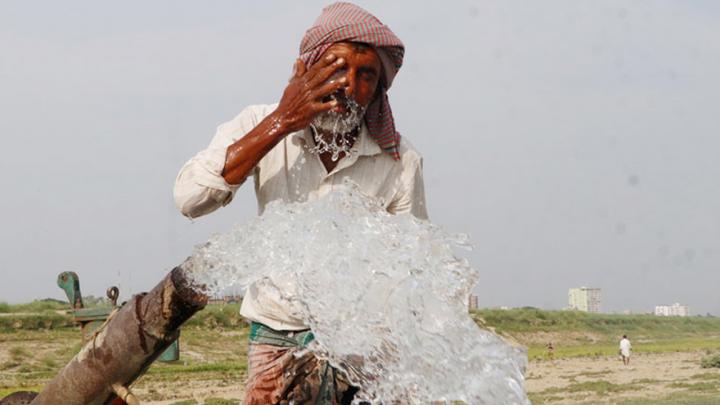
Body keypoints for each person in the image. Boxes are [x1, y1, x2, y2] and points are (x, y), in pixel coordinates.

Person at [173, 3, 427, 404]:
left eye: (367, 75)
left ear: (379, 89)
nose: (349, 84)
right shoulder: (260, 123)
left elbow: (412, 266)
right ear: (306, 69)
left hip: (366, 349)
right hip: (278, 339)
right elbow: (189, 199)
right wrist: (281, 123)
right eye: (335, 66)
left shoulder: (398, 161)